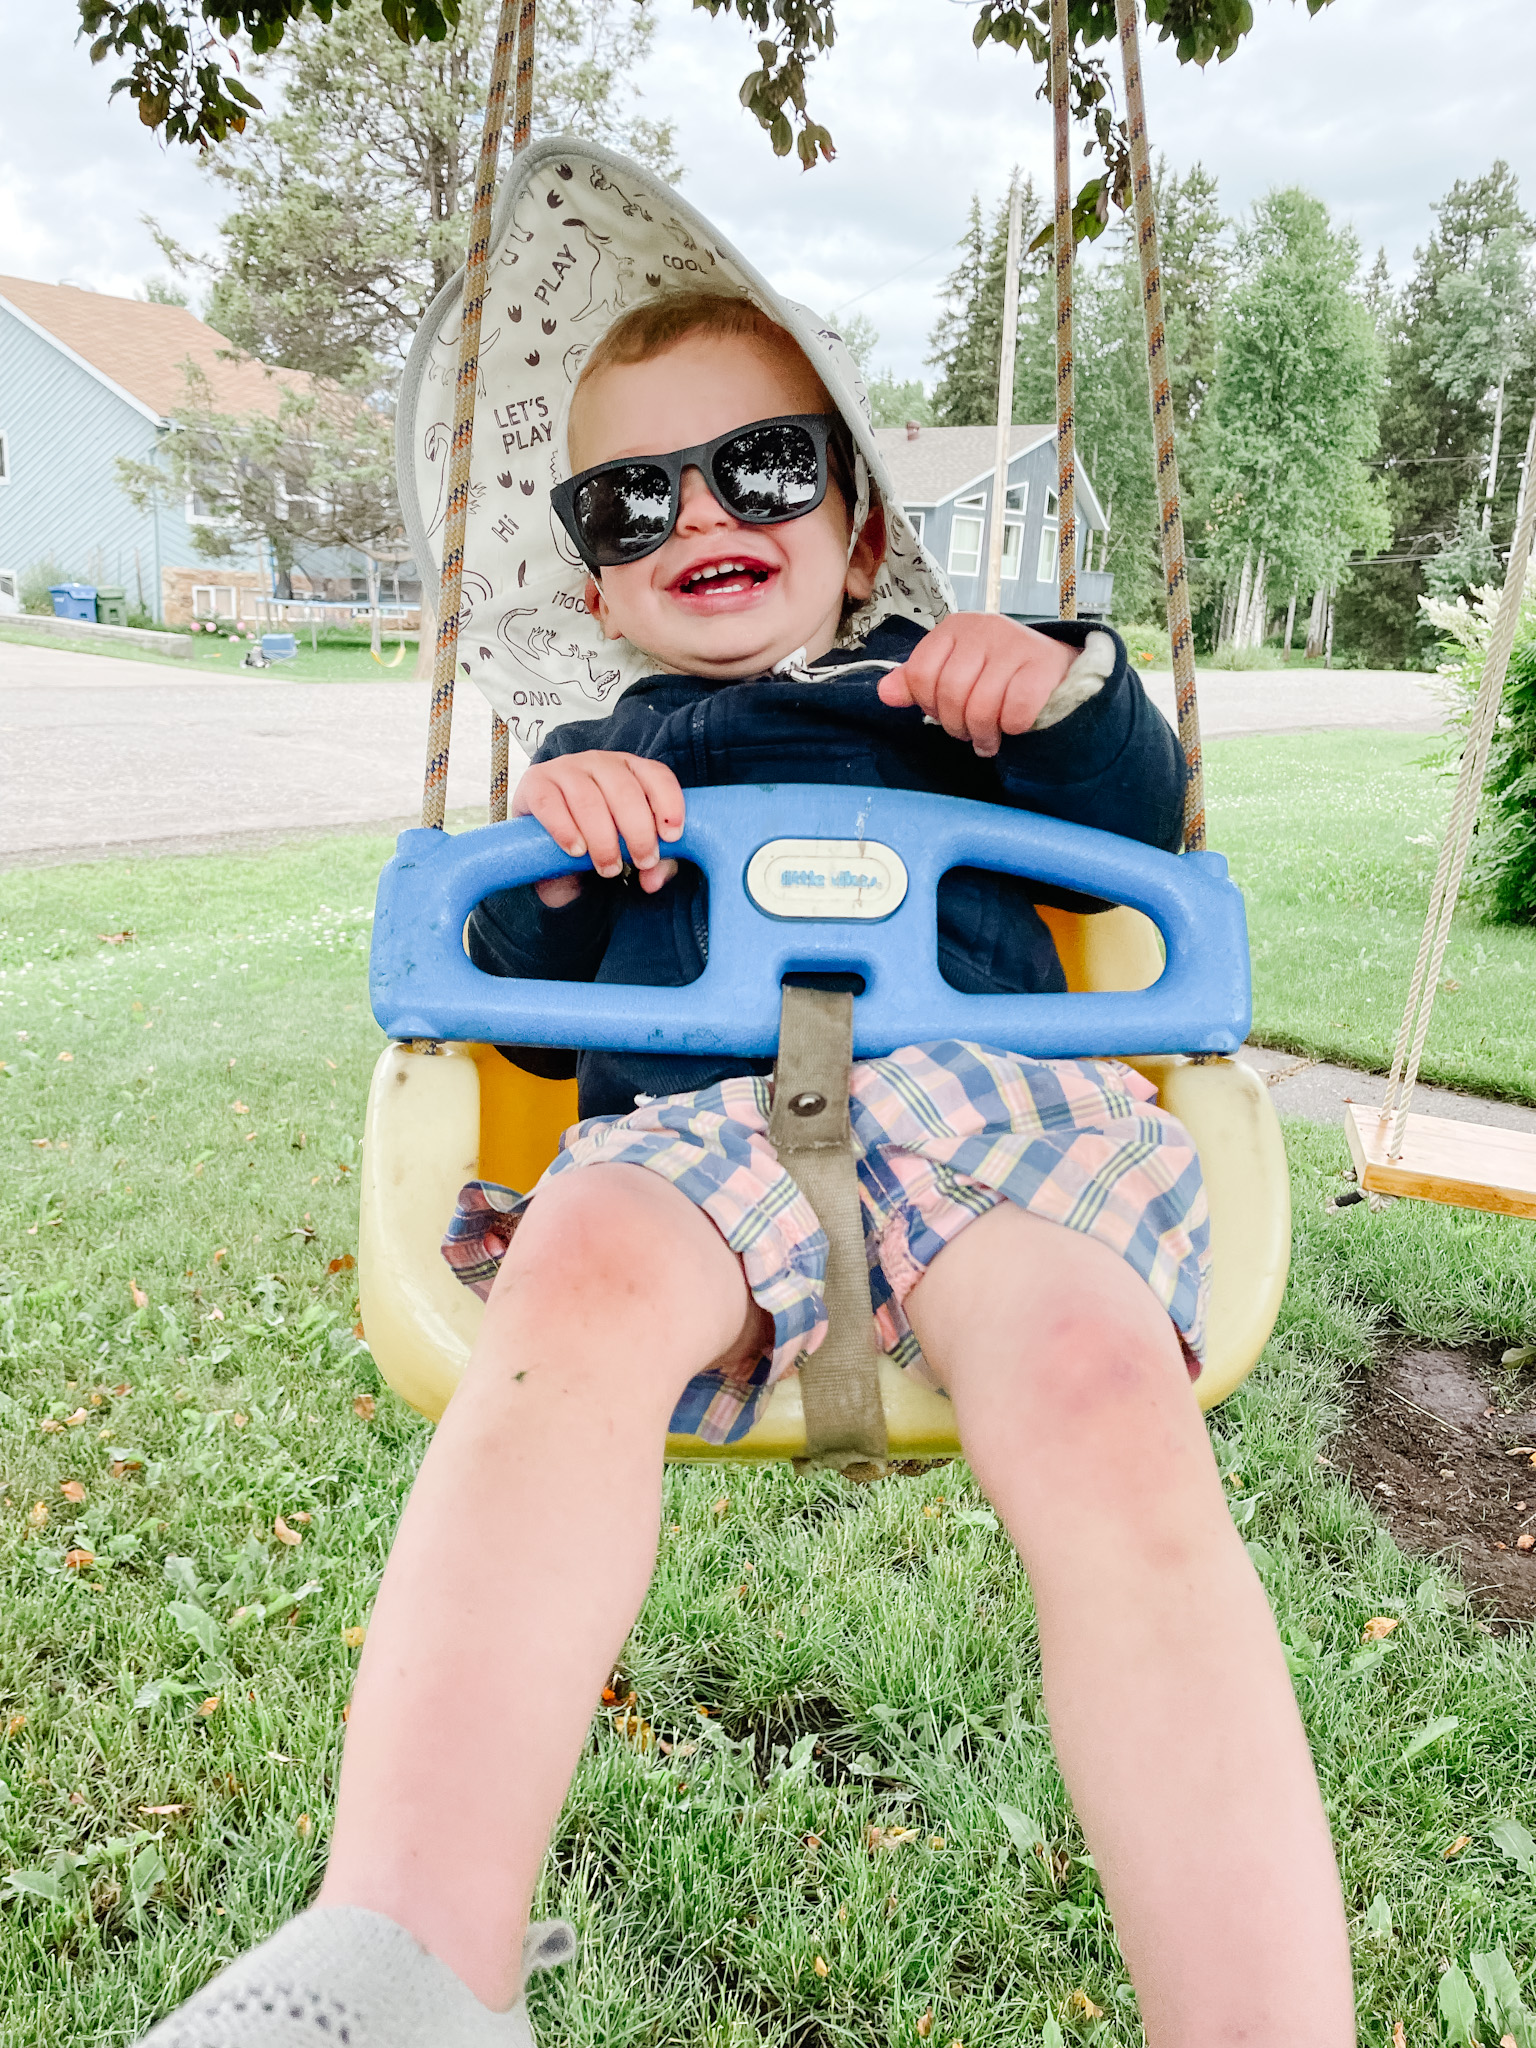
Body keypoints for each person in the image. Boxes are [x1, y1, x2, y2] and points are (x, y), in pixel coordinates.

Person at [139, 288, 1355, 2048]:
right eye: (632, 503)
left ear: (859, 527)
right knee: (576, 1283)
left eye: (762, 467)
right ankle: (401, 1954)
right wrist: (554, 859)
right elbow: (536, 1041)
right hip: (692, 1146)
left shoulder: (959, 699)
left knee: (1103, 1395)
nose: (701, 516)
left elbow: (1132, 833)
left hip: (991, 1116)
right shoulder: (596, 759)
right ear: (597, 582)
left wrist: (1067, 682)